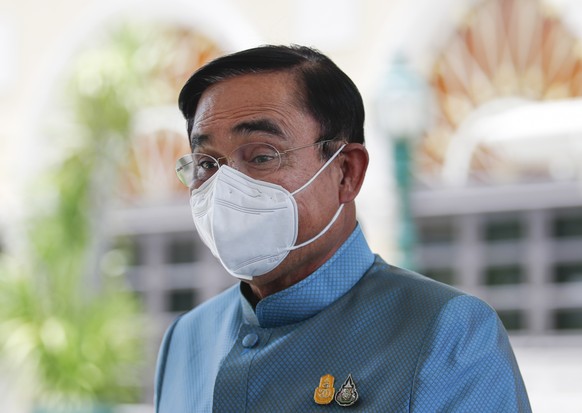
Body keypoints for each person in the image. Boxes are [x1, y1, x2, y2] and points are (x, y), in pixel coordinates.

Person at [154, 44, 531, 412]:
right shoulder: (186, 339)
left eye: (262, 156)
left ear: (346, 172)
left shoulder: (447, 333)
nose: (225, 186)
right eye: (206, 164)